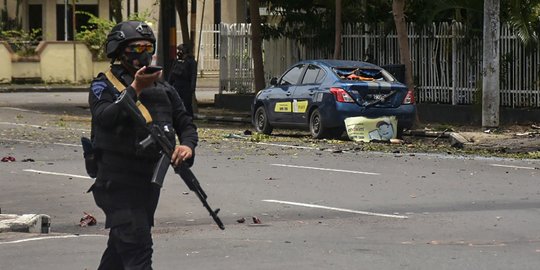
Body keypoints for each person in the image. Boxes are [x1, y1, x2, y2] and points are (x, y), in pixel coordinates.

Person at [87, 20, 198, 270]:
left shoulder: (164, 88)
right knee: (138, 248)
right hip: (116, 184)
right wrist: (136, 88)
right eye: (136, 48)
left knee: (119, 250)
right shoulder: (103, 85)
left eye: (148, 47)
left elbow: (186, 124)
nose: (144, 54)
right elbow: (104, 117)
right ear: (119, 50)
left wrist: (187, 147)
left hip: (146, 185)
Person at [168, 43, 197, 117]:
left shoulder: (191, 62)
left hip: (186, 86)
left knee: (187, 104)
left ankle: (189, 118)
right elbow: (172, 73)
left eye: (180, 50)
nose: (178, 52)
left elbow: (193, 75)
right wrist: (169, 85)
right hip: (177, 84)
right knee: (175, 103)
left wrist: (192, 87)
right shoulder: (176, 61)